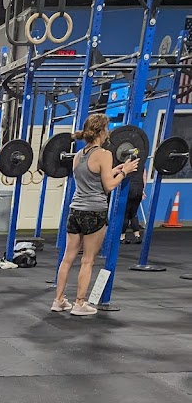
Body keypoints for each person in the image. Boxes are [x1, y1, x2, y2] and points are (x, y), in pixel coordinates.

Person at [52, 113, 139, 316]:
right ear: (101, 131)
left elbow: (91, 177)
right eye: (106, 129)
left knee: (67, 258)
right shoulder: (104, 154)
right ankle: (79, 304)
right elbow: (108, 186)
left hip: (75, 211)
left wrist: (114, 169)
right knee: (87, 260)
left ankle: (59, 301)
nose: (108, 133)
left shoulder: (78, 155)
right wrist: (124, 171)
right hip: (95, 211)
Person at [121, 164, 147, 243]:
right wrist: (142, 191)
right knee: (133, 213)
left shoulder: (127, 165)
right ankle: (137, 236)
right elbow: (144, 177)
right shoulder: (142, 165)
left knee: (125, 214)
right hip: (139, 189)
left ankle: (122, 237)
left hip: (129, 189)